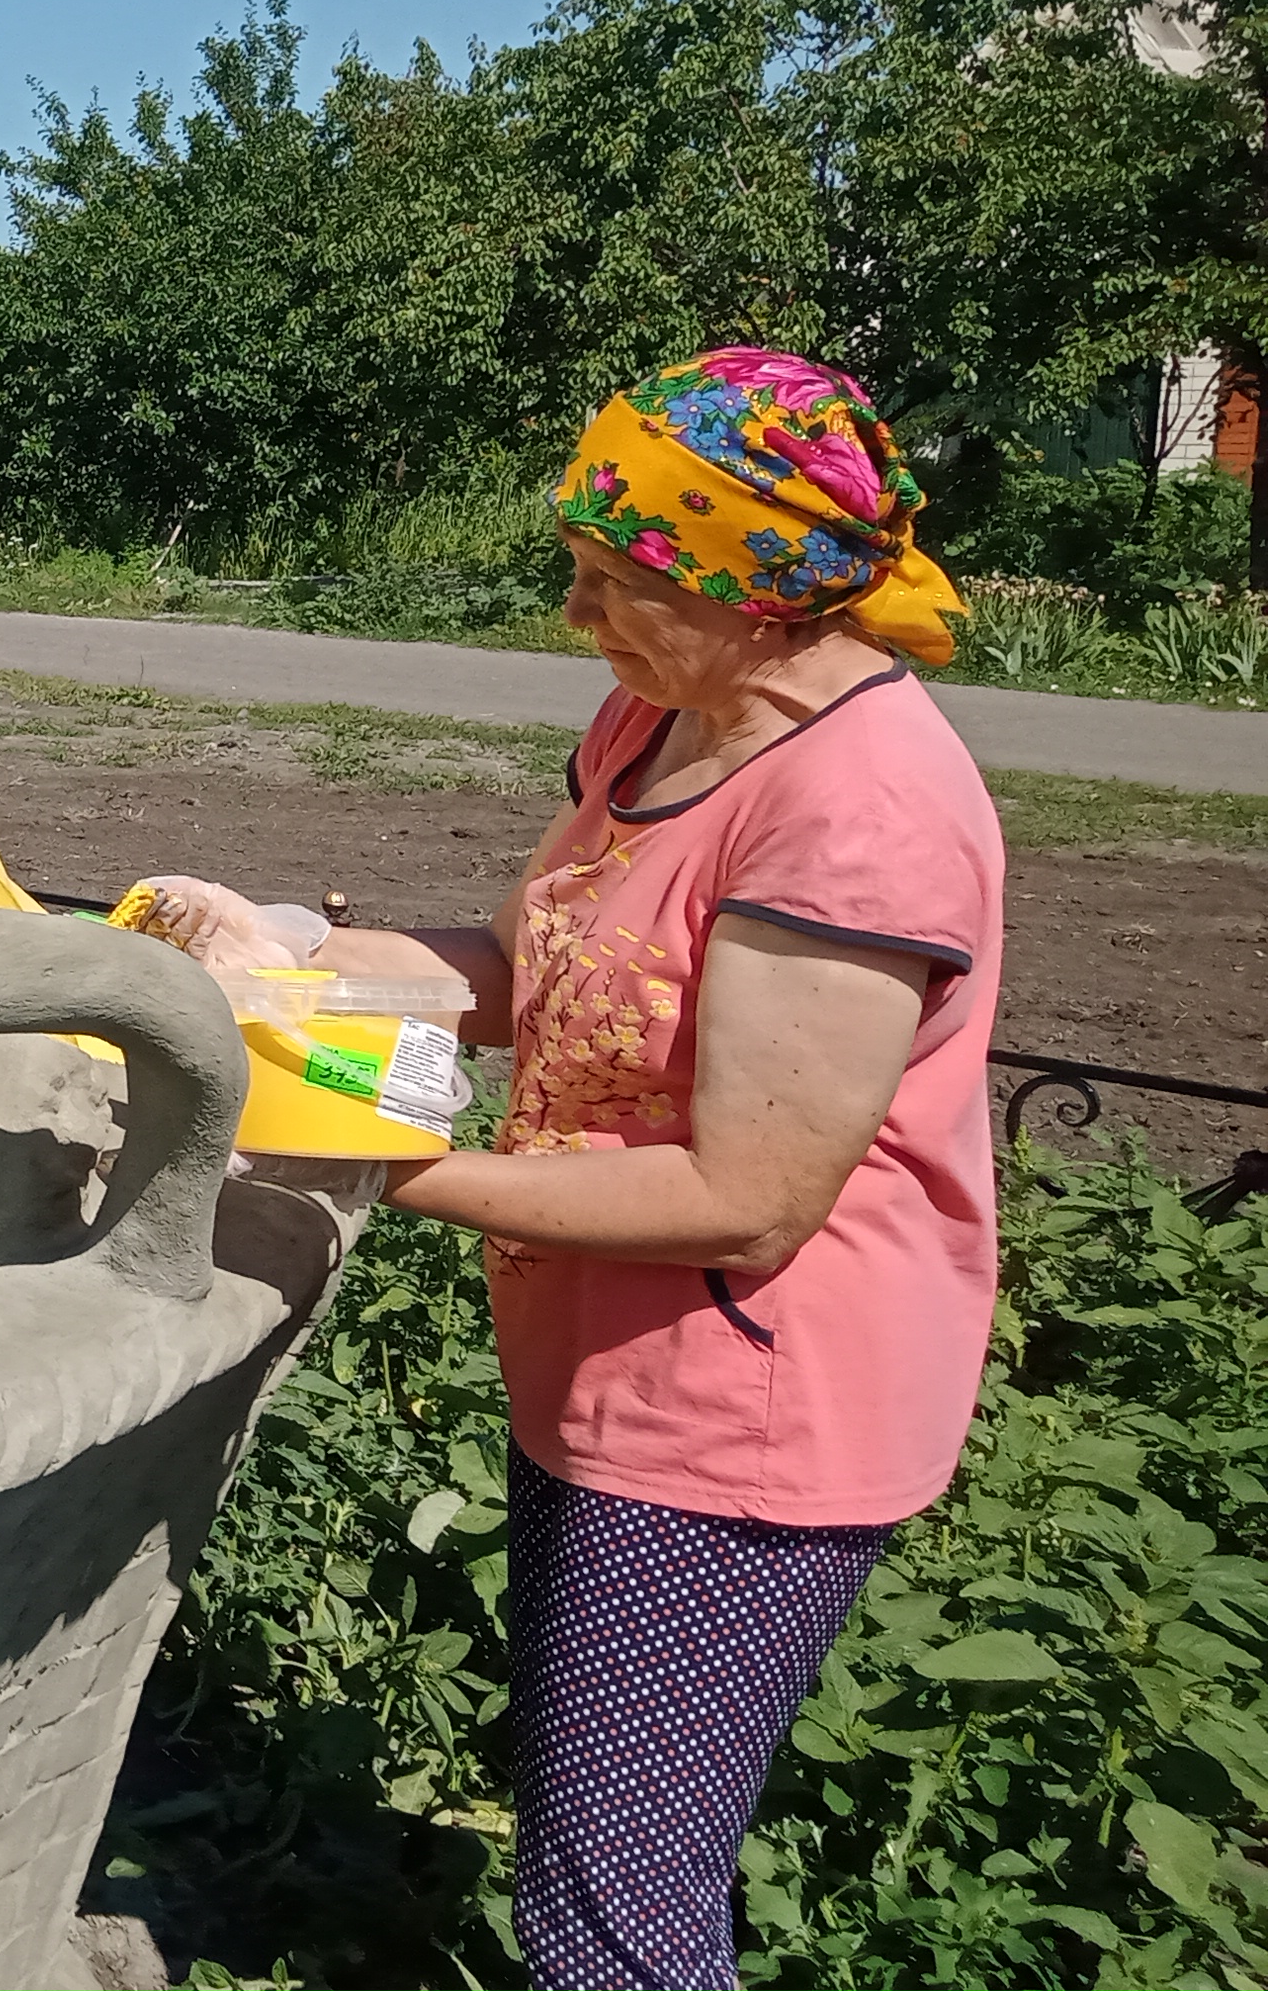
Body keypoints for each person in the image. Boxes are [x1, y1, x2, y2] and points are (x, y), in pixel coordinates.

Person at [128, 348, 997, 1990]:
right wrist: (294, 957)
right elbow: (556, 971)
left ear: (754, 595)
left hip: (743, 1425)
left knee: (615, 1926)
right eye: (576, 566)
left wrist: (380, 1162)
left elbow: (745, 1197)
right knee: (597, 1842)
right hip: (605, 1374)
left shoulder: (861, 812)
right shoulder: (660, 715)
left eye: (613, 580)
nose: (575, 613)